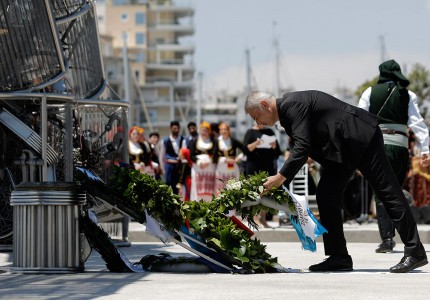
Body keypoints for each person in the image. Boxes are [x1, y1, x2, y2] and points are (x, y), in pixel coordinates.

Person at [245, 90, 429, 273]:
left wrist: (279, 178)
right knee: (326, 194)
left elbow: (302, 146)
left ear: (264, 105)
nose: (258, 122)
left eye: (256, 116)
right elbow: (303, 145)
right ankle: (338, 256)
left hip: (361, 138)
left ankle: (415, 251)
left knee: (388, 192)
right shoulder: (287, 112)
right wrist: (281, 183)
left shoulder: (292, 104)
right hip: (342, 150)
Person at [358, 59, 430, 253]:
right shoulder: (408, 94)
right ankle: (404, 235)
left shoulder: (370, 92)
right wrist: (426, 150)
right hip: (400, 147)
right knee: (396, 191)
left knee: (380, 192)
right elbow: (418, 123)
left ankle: (387, 239)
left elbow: (359, 120)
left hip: (379, 146)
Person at [243, 123, 282, 227]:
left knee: (265, 192)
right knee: (255, 191)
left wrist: (274, 146)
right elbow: (245, 149)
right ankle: (255, 218)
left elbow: (278, 152)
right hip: (254, 166)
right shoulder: (250, 132)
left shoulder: (269, 132)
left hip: (267, 166)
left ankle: (263, 219)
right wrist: (256, 143)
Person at [189, 121, 218, 201]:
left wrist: (208, 162)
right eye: (202, 130)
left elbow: (215, 155)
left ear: (209, 131)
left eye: (206, 130)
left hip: (210, 169)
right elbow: (191, 155)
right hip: (198, 169)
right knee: (197, 188)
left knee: (210, 190)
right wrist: (200, 162)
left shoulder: (214, 142)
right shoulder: (194, 142)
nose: (204, 132)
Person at [215, 122, 244, 194]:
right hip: (221, 168)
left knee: (232, 188)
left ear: (228, 130)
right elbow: (214, 155)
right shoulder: (216, 141)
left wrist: (238, 158)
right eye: (221, 129)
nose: (223, 131)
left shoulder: (233, 141)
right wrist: (225, 159)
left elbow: (245, 150)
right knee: (220, 190)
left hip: (232, 168)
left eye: (225, 129)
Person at [162, 121, 185, 194]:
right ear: (171, 128)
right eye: (174, 128)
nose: (176, 130)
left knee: (179, 186)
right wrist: (163, 169)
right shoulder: (165, 140)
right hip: (169, 166)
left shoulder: (183, 139)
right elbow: (162, 155)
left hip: (180, 166)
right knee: (169, 185)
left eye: (177, 128)